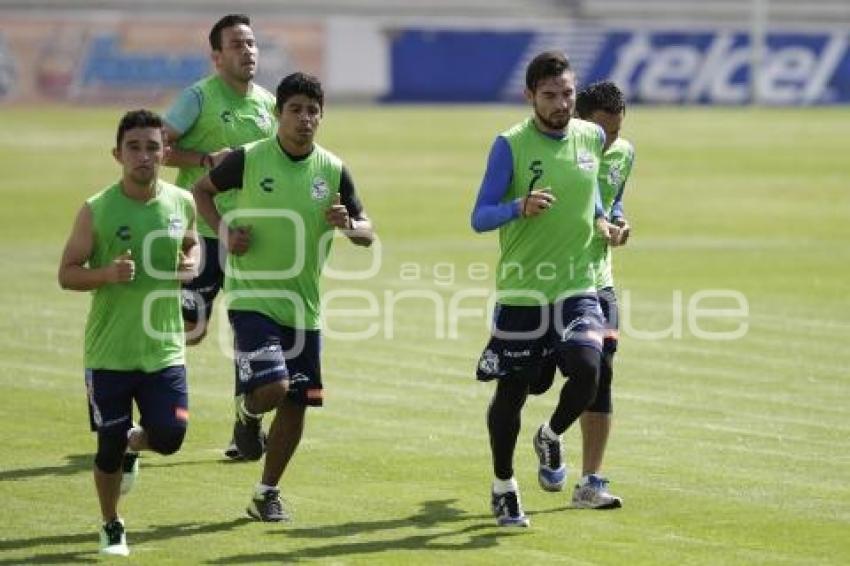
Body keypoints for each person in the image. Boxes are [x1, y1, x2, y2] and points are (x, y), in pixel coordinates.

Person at [192, 72, 374, 522]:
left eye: (313, 111)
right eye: (295, 110)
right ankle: (248, 410)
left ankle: (265, 493)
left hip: (304, 308)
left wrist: (347, 224)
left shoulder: (332, 170)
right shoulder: (249, 159)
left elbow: (367, 232)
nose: (304, 119)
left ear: (321, 116)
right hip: (253, 298)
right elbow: (202, 190)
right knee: (274, 387)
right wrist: (223, 229)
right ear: (278, 115)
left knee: (299, 403)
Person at [470, 51, 619, 527]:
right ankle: (503, 485)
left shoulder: (591, 136)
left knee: (589, 368)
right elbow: (479, 216)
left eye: (567, 94)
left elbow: (595, 194)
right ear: (530, 96)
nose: (560, 104)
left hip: (577, 286)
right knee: (511, 393)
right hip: (523, 292)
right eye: (550, 95)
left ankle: (551, 434)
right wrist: (519, 206)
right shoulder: (510, 144)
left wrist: (608, 221)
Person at [58, 109, 199, 555]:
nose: (144, 156)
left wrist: (192, 264)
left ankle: (136, 444)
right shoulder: (97, 209)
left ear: (166, 152)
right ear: (118, 154)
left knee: (172, 438)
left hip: (163, 351)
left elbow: (192, 244)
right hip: (110, 354)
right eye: (134, 148)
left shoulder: (182, 202)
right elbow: (66, 273)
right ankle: (111, 522)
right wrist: (105, 274)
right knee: (106, 449)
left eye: (153, 148)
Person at [162, 13, 277, 461]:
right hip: (207, 233)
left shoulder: (269, 104)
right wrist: (206, 158)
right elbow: (159, 145)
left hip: (253, 240)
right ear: (216, 56)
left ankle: (244, 430)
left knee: (251, 336)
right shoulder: (198, 98)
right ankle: (149, 401)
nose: (247, 51)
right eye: (236, 45)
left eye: (251, 43)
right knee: (187, 329)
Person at [567, 80, 634, 508]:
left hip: (599, 278)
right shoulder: (563, 151)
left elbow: (612, 201)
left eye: (616, 131)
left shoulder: (624, 153)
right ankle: (550, 436)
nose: (610, 140)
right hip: (552, 277)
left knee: (601, 374)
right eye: (602, 131)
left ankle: (590, 480)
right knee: (533, 381)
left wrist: (618, 222)